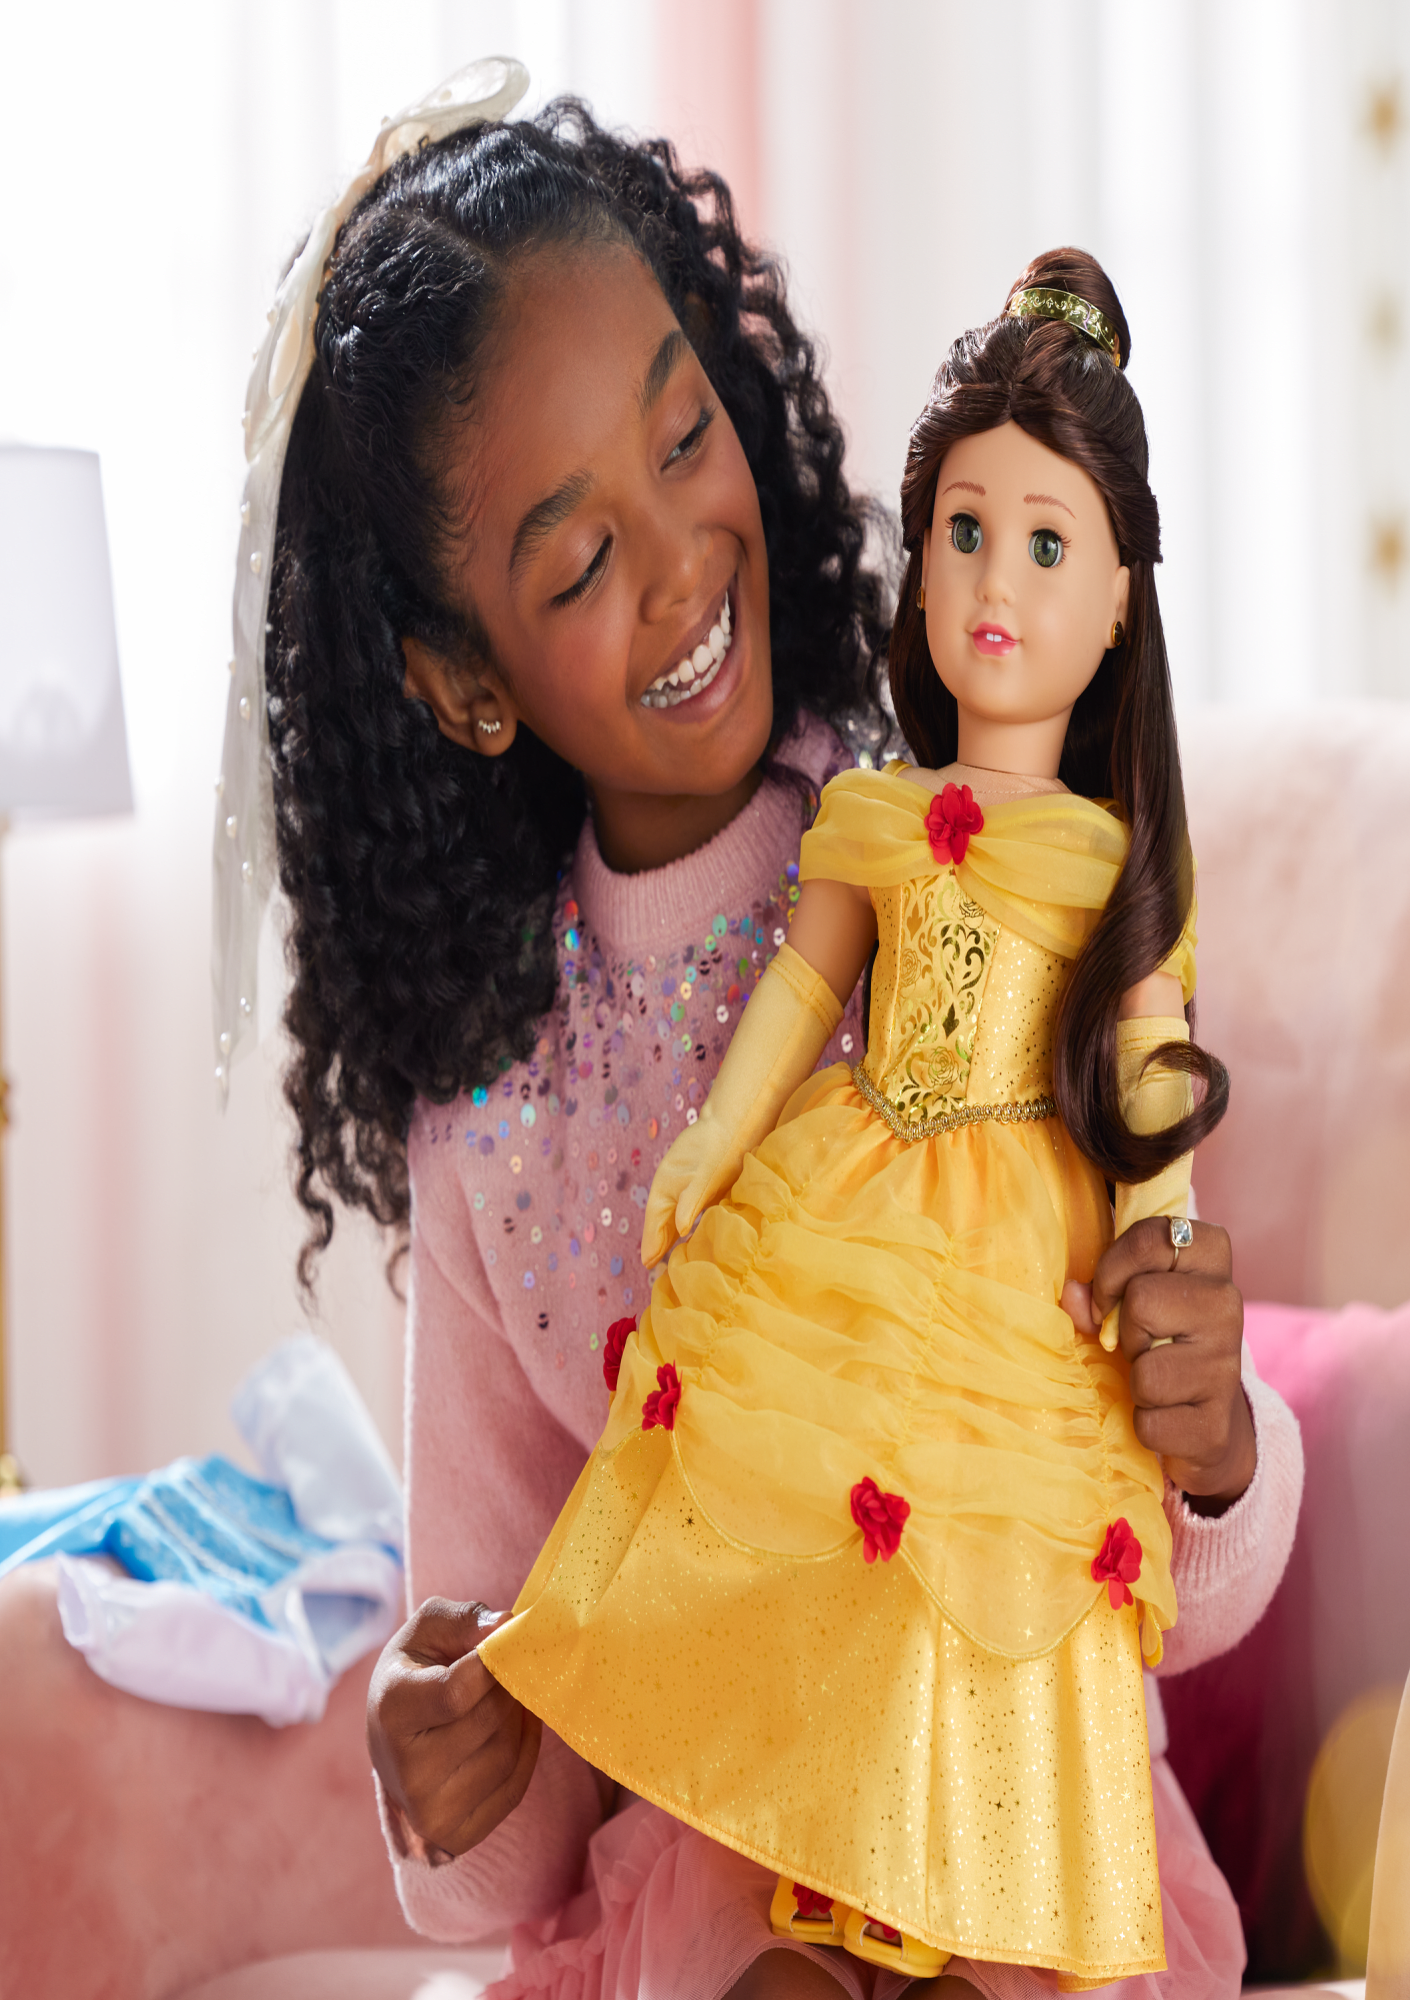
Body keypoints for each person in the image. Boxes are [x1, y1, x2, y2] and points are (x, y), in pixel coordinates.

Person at [259, 87, 1301, 2000]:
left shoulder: (961, 850)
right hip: (723, 1896)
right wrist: (449, 1764)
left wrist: (1217, 1445)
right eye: (577, 563)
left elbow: (1181, 1579)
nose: (678, 563)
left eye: (685, 438)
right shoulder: (491, 1116)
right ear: (466, 680)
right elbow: (533, 1745)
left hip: (1029, 1841)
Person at [476, 247, 1232, 1985]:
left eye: (1047, 545)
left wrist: (1159, 1246)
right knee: (824, 1525)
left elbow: (1150, 1077)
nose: (994, 582)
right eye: (964, 530)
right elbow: (804, 994)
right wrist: (713, 1141)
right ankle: (832, 1885)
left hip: (1017, 1264)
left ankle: (959, 1885)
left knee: (978, 1560)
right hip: (853, 1186)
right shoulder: (877, 817)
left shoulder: (1111, 867)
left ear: (1123, 603)